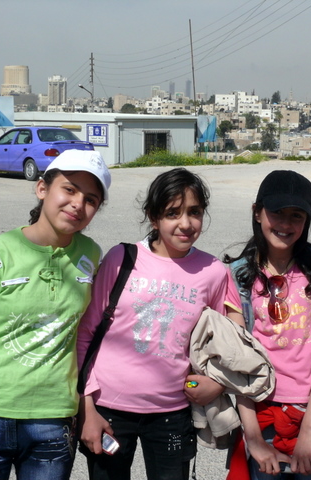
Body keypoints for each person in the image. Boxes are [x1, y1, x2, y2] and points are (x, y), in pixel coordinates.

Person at [0, 150, 112, 480]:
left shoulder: (92, 256)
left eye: (91, 199)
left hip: (52, 425)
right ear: (42, 189)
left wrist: (85, 404)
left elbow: (87, 340)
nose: (78, 203)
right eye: (69, 189)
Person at [77, 168, 235, 480]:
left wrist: (216, 383)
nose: (185, 224)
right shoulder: (121, 258)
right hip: (108, 410)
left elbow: (228, 342)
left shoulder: (214, 271)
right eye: (172, 213)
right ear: (153, 217)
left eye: (195, 212)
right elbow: (86, 334)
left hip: (172, 414)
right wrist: (87, 408)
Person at [225, 170, 311, 479]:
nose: (286, 224)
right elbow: (237, 360)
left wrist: (309, 430)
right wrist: (252, 438)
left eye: (297, 215)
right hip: (263, 415)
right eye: (277, 212)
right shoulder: (237, 275)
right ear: (257, 211)